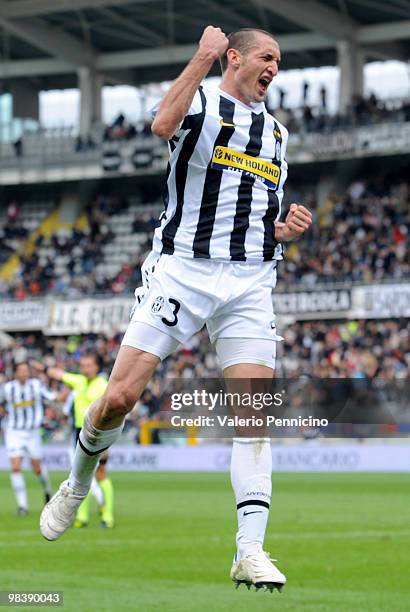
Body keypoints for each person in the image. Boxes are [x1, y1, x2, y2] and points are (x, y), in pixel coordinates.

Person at [40, 26, 312, 593]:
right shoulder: (204, 98)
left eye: (279, 62)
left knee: (254, 418)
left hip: (250, 280)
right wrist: (202, 56)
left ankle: (250, 549)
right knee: (118, 398)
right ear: (234, 58)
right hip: (183, 270)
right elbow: (163, 125)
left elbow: (260, 212)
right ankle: (75, 484)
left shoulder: (278, 134)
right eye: (267, 58)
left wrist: (282, 230)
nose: (275, 69)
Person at [33, 354, 114, 528]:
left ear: (97, 367)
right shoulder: (78, 381)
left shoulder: (104, 386)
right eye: (83, 365)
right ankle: (83, 516)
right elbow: (60, 374)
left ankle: (107, 516)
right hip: (79, 433)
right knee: (80, 475)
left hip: (98, 433)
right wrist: (44, 369)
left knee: (100, 474)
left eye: (89, 365)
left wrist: (107, 438)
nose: (85, 368)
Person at [0, 362, 57, 515]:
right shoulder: (8, 388)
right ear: (16, 373)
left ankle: (47, 491)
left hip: (32, 433)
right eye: (21, 371)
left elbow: (52, 397)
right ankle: (22, 506)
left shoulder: (36, 385)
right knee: (16, 466)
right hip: (14, 432)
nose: (24, 373)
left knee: (37, 468)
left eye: (26, 370)